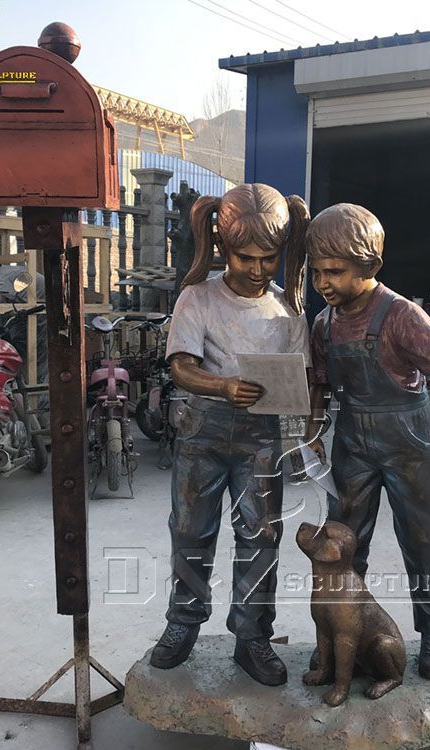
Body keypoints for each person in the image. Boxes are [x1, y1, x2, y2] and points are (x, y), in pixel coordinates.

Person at [305, 203, 430, 681]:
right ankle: (353, 629)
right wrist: (312, 429)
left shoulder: (402, 313)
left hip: (407, 437)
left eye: (335, 271)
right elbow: (320, 383)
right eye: (318, 272)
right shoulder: (323, 323)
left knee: (424, 540)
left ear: (370, 266)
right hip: (352, 442)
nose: (324, 282)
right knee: (342, 542)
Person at [150, 183, 310, 687]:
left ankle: (252, 636)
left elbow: (296, 384)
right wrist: (223, 385)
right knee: (192, 531)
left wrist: (299, 437)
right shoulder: (198, 298)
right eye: (246, 257)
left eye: (269, 258)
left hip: (262, 438)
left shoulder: (288, 311)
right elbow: (180, 366)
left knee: (261, 537)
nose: (259, 269)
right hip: (204, 429)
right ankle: (182, 624)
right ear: (223, 248)